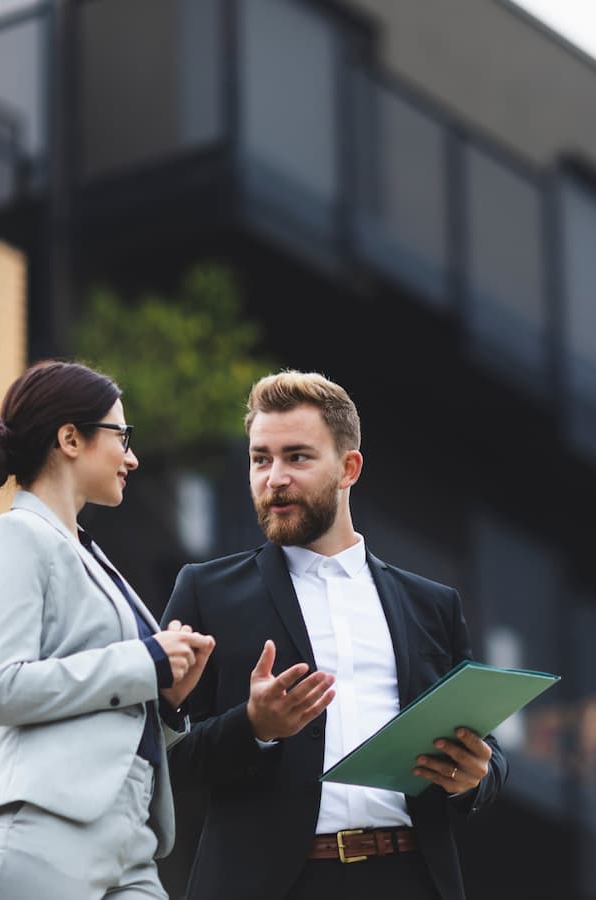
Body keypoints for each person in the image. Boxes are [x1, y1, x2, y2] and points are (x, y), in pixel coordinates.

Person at [161, 369, 508, 900]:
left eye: (297, 457)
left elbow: (486, 749)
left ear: (349, 468)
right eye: (261, 459)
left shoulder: (432, 605)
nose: (275, 478)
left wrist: (476, 776)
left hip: (409, 879)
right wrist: (253, 727)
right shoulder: (206, 592)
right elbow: (159, 756)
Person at [0, 359, 216, 900]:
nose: (132, 456)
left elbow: (109, 714)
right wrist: (146, 662)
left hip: (132, 846)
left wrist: (167, 702)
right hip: (40, 832)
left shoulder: (90, 556)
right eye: (122, 435)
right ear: (70, 439)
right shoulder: (13, 537)